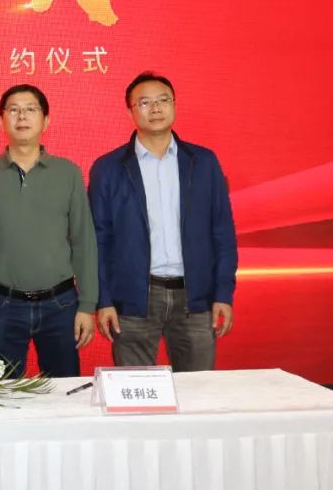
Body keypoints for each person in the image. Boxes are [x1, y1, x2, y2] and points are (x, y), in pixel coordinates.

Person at [89, 71, 238, 371]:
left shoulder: (203, 162)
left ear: (174, 105)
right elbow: (98, 240)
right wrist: (103, 299)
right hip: (133, 297)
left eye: (163, 100)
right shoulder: (108, 168)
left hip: (196, 298)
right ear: (130, 111)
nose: (155, 108)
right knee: (135, 389)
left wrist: (223, 293)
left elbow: (222, 232)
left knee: (197, 390)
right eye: (144, 102)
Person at [0, 84, 97, 378]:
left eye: (31, 109)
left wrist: (87, 305)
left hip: (61, 305)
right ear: (0, 120)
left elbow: (83, 241)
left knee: (63, 393)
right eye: (13, 110)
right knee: (2, 394)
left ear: (46, 120)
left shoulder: (67, 172)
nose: (22, 116)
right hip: (0, 305)